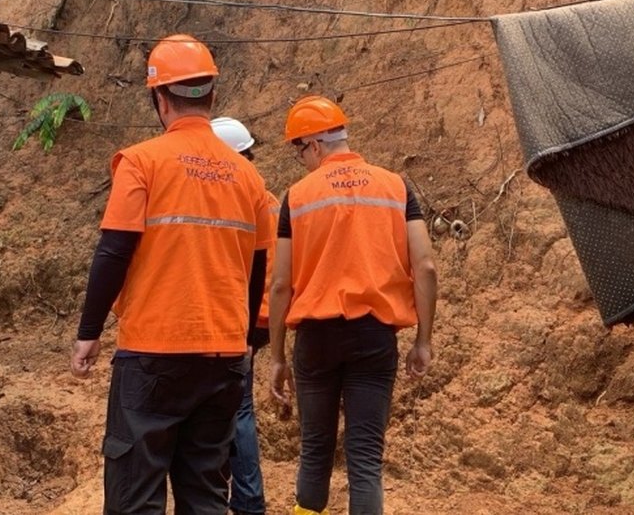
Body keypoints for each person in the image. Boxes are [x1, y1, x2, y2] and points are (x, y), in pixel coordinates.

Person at [70, 35, 273, 515]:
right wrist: (246, 336)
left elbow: (114, 249)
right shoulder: (249, 179)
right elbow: (258, 265)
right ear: (213, 98)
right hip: (223, 356)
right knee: (204, 493)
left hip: (152, 355)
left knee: (135, 495)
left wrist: (88, 333)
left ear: (159, 98)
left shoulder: (142, 162)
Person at [268, 96, 438, 515]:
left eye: (299, 150)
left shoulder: (298, 196)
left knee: (314, 453)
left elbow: (280, 285)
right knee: (365, 462)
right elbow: (427, 267)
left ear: (313, 144)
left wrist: (276, 358)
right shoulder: (395, 186)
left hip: (315, 339)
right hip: (373, 336)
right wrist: (423, 341)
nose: (301, 160)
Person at [211, 116, 278, 515]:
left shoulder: (234, 203)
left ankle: (246, 500)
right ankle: (239, 497)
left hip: (241, 319)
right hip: (262, 317)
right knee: (235, 407)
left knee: (234, 410)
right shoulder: (266, 199)